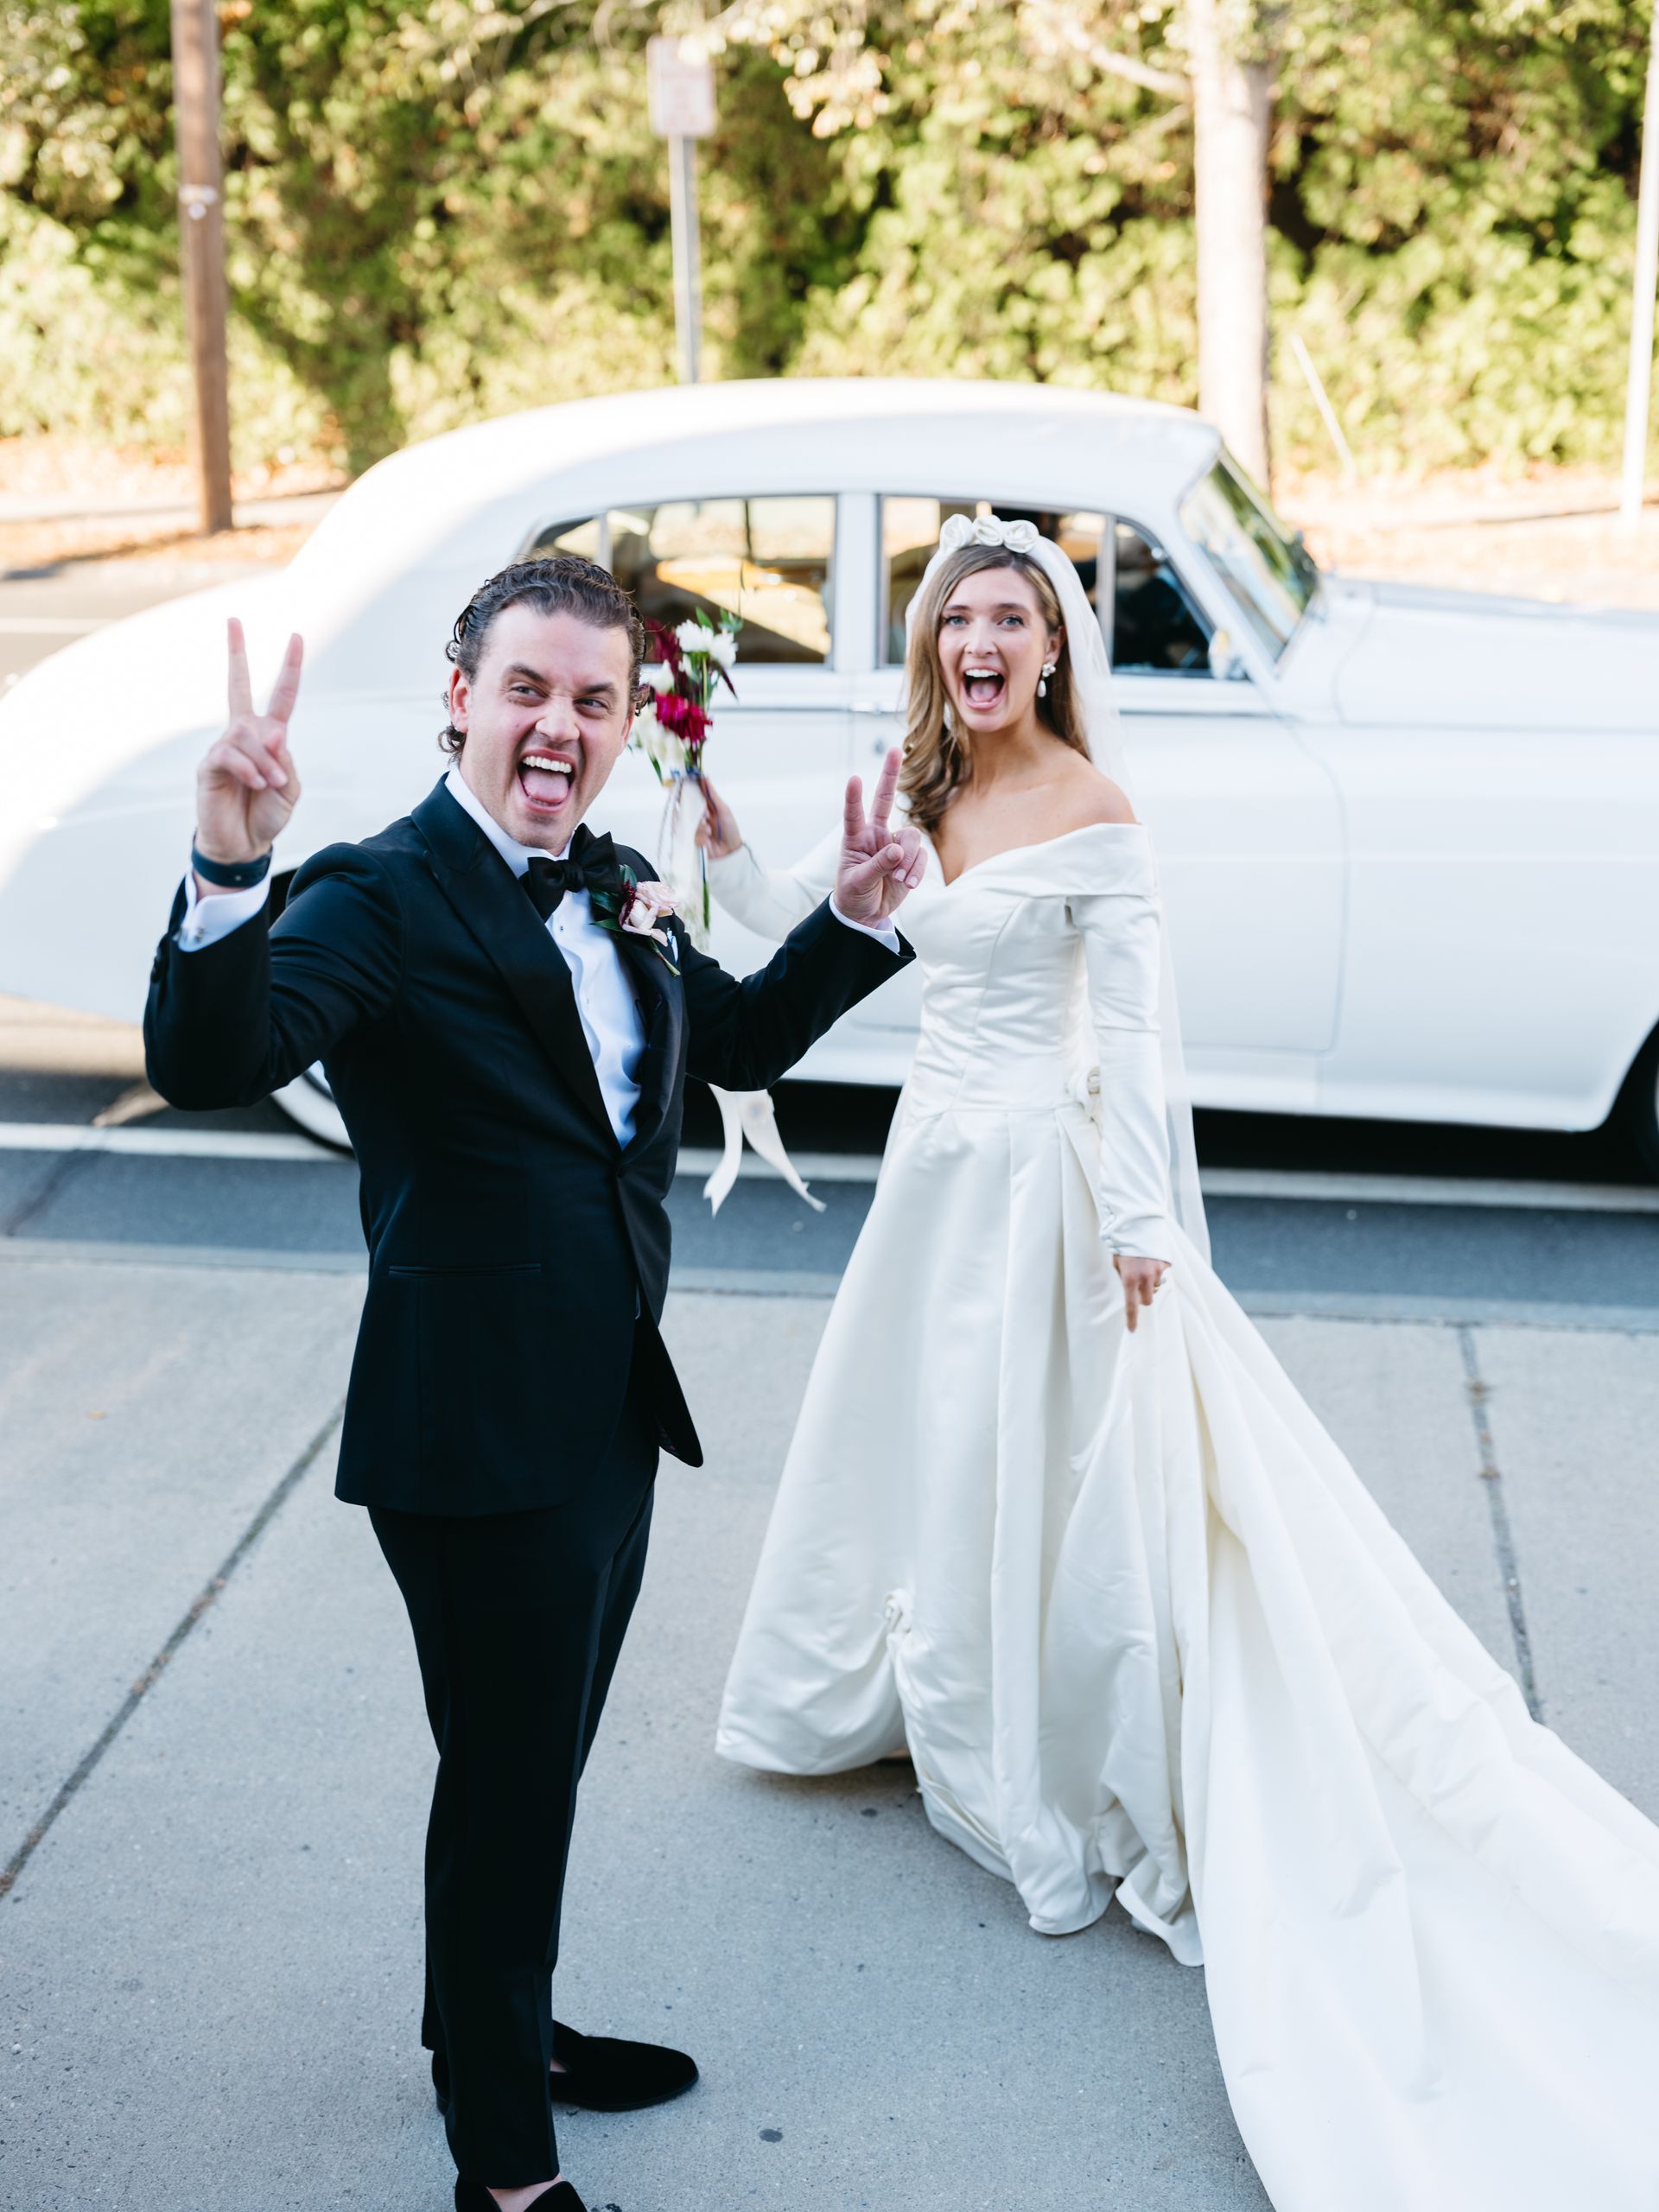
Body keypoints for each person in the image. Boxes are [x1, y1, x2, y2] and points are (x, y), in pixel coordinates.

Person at [699, 514, 1659, 2212]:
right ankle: (921, 1673)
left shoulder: (1095, 811)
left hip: (1045, 1195)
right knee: (924, 1444)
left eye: (1011, 617)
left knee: (1031, 1451)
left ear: (1054, 646)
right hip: (936, 1175)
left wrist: (1146, 1222)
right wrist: (712, 841)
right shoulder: (921, 791)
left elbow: (1135, 1030)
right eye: (956, 619)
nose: (981, 642)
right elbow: (832, 943)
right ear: (934, 648)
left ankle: (1030, 1716)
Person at [143, 554, 925, 2212]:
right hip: (471, 1431)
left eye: (592, 698)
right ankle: (505, 2173)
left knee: (531, 1769)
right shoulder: (374, 891)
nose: (558, 725)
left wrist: (855, 921)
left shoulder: (619, 880)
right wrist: (231, 861)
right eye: (528, 690)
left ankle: (486, 2026)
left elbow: (731, 1046)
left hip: (606, 1414)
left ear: (625, 720)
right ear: (460, 697)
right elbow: (215, 1060)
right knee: (510, 1791)